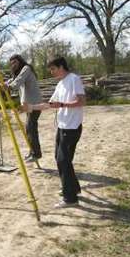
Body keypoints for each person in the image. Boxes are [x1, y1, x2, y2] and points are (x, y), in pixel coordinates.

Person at [33, 57, 85, 208]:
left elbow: (82, 101)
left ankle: (71, 199)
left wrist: (62, 104)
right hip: (62, 126)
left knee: (63, 160)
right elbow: (49, 104)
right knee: (59, 158)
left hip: (72, 127)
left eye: (53, 69)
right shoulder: (60, 84)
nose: (51, 72)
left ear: (61, 66)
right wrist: (30, 107)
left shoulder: (74, 79)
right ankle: (72, 188)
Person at [5, 54, 43, 162]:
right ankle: (33, 152)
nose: (13, 65)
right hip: (27, 106)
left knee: (31, 128)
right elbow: (11, 81)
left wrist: (9, 87)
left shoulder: (26, 69)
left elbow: (17, 82)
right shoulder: (18, 73)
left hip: (34, 104)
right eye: (11, 63)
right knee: (29, 128)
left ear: (20, 61)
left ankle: (36, 153)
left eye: (15, 62)